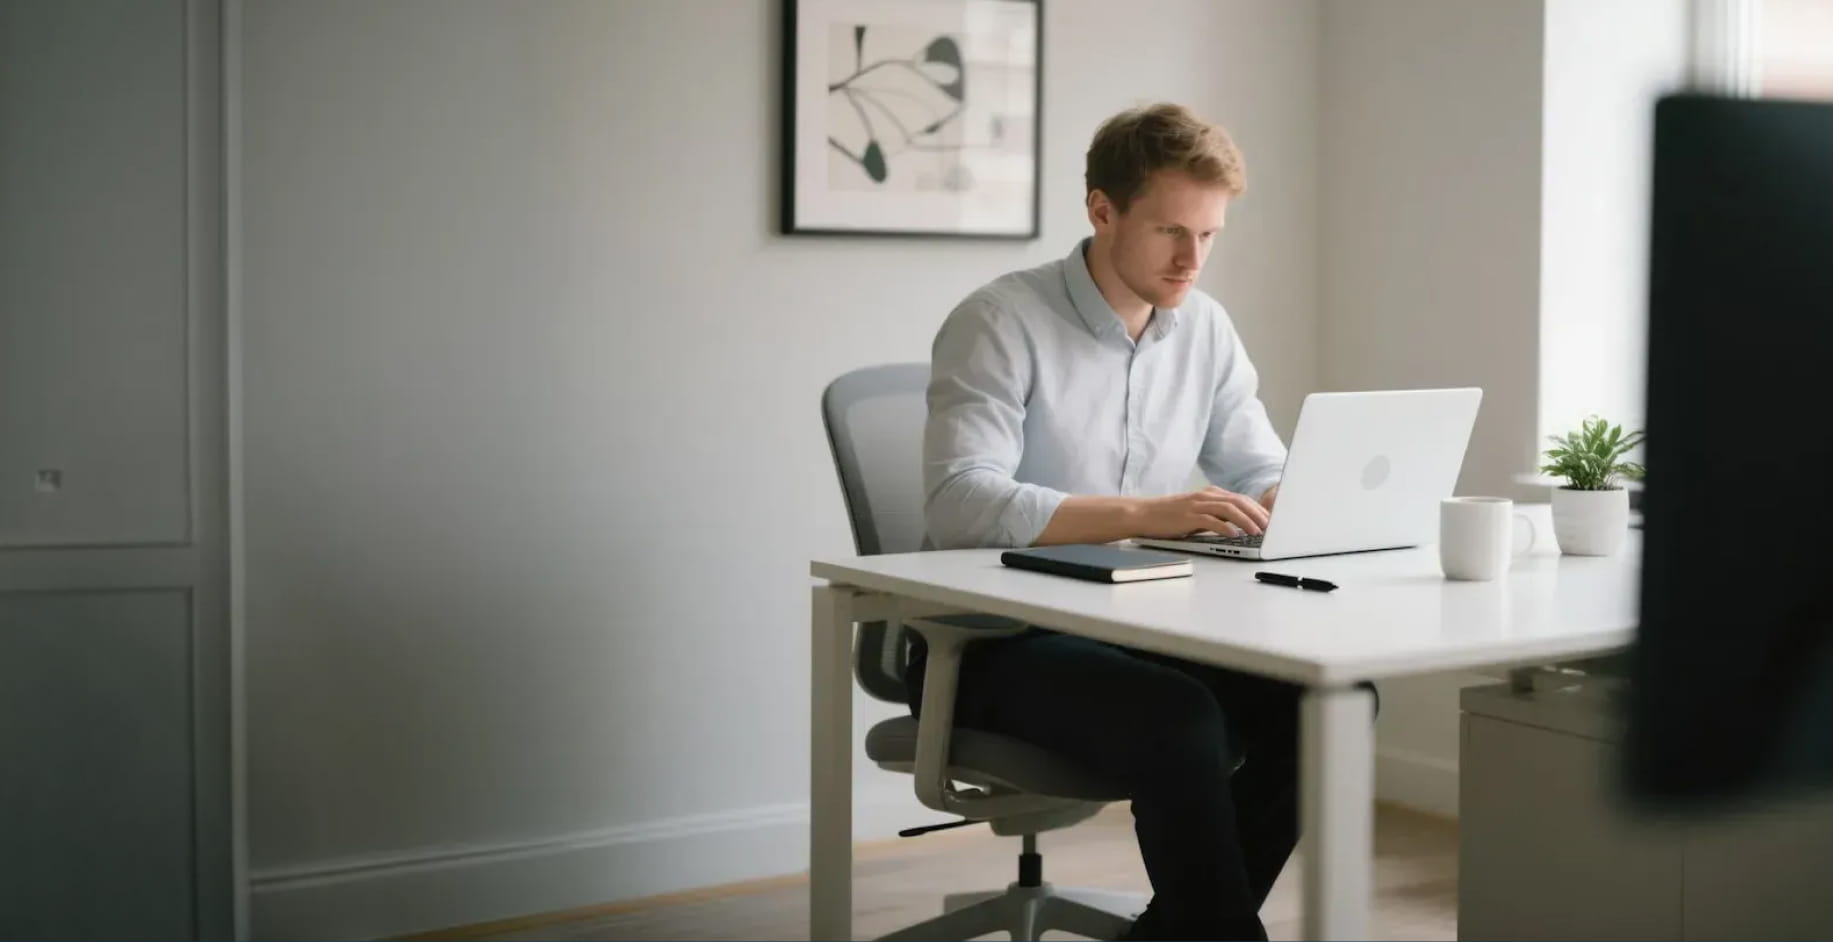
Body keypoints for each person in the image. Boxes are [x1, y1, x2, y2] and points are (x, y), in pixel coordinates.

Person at [915, 102, 1331, 940]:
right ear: (1102, 210)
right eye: (1171, 231)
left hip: (1140, 623)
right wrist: (1150, 512)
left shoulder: (1203, 329)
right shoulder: (999, 321)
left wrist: (1294, 496)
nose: (1191, 260)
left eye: (1209, 235)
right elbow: (959, 501)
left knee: (1328, 702)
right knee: (1178, 719)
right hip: (993, 638)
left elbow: (1258, 462)